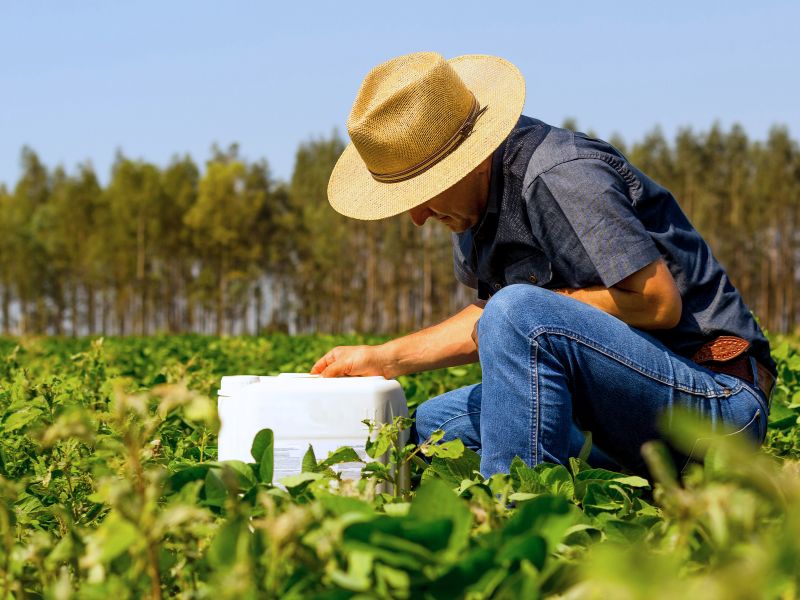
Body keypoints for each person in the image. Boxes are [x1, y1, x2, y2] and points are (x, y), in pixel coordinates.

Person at [311, 51, 776, 476]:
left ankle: (517, 522)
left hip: (714, 406)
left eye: (422, 192)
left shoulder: (561, 173)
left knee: (517, 310)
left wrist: (535, 309)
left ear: (467, 162)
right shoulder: (470, 209)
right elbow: (491, 319)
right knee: (426, 430)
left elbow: (657, 304)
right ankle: (628, 481)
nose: (416, 217)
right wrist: (382, 358)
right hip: (614, 412)